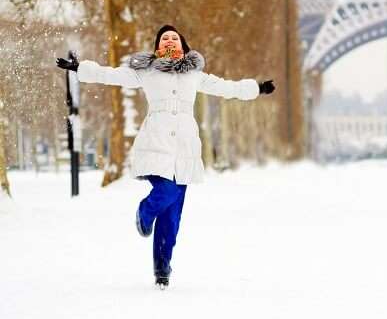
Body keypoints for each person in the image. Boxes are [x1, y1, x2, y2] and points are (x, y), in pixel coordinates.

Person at [56, 24, 275, 289]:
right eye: (164, 38)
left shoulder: (195, 74)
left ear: (183, 44)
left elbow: (226, 87)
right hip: (156, 144)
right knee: (167, 192)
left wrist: (257, 88)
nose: (170, 40)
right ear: (158, 46)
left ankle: (162, 269)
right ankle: (144, 212)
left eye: (174, 37)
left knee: (172, 218)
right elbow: (113, 75)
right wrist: (81, 69)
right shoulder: (146, 71)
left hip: (184, 148)